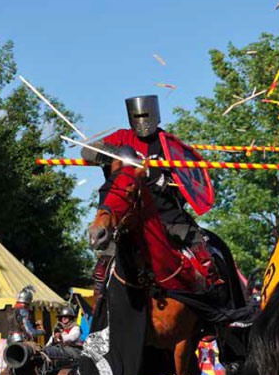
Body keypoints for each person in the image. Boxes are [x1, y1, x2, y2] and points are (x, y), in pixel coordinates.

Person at [82, 95, 219, 313]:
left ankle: (210, 304)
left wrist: (169, 178)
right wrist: (118, 155)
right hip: (130, 217)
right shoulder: (123, 137)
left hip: (167, 214)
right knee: (104, 265)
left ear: (154, 114)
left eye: (145, 115)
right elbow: (86, 151)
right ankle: (101, 314)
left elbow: (191, 172)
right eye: (137, 116)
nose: (141, 120)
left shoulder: (169, 143)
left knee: (199, 247)